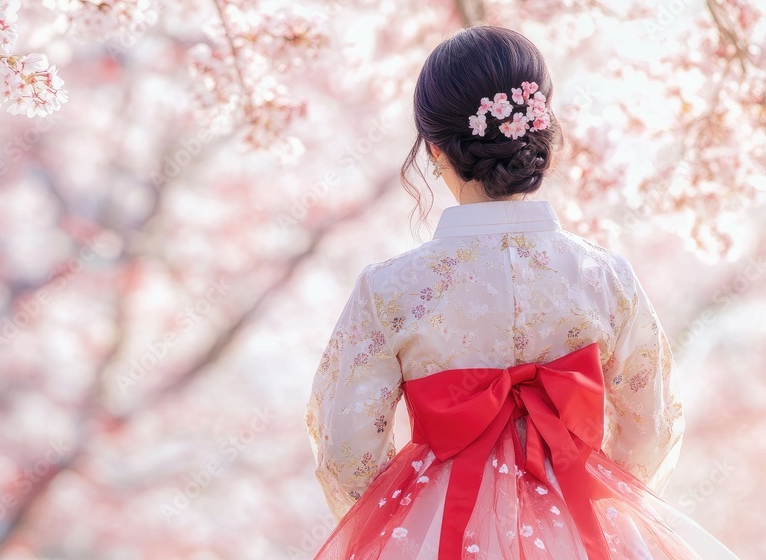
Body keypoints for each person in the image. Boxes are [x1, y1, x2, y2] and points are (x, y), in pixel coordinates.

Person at [305, 25, 739, 560]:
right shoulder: (603, 276)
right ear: (539, 132)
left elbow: (346, 449)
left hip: (440, 523)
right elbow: (651, 422)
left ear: (435, 148)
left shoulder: (390, 290)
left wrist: (398, 518)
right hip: (578, 515)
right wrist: (596, 488)